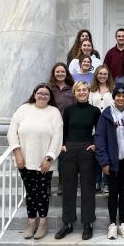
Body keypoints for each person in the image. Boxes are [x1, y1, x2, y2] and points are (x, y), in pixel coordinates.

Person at [7, 83, 63, 240]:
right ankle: (31, 223)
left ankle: (43, 222)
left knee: (42, 193)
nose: (43, 96)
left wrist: (49, 158)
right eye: (40, 93)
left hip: (44, 162)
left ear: (50, 97)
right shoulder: (23, 109)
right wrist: (17, 153)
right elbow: (12, 132)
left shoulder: (54, 112)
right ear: (34, 94)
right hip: (24, 160)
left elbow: (57, 138)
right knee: (30, 193)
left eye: (46, 94)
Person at [94, 83, 124, 240]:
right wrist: (103, 161)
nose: (121, 98)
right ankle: (112, 225)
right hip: (111, 162)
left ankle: (122, 223)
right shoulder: (106, 115)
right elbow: (100, 139)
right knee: (112, 193)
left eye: (123, 96)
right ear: (113, 97)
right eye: (118, 96)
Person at [55, 81, 101, 240]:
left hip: (87, 150)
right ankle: (67, 223)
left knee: (88, 188)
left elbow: (100, 131)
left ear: (89, 92)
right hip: (69, 150)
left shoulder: (95, 111)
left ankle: (88, 223)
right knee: (68, 188)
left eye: (84, 90)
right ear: (74, 93)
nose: (82, 92)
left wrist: (95, 145)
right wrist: (62, 145)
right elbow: (63, 130)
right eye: (79, 90)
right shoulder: (68, 110)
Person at [48, 62, 75, 195]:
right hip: (50, 126)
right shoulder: (49, 89)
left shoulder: (72, 89)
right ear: (54, 74)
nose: (60, 74)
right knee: (49, 154)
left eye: (62, 71)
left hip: (67, 127)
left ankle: (61, 183)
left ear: (66, 73)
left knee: (64, 157)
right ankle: (46, 184)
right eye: (57, 72)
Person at [89, 65, 115, 194]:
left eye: (105, 74)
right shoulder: (91, 91)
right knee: (96, 155)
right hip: (95, 128)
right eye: (100, 74)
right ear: (96, 75)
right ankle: (96, 181)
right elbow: (88, 109)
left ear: (108, 75)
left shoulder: (112, 89)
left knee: (108, 155)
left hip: (110, 127)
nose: (102, 76)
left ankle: (106, 183)